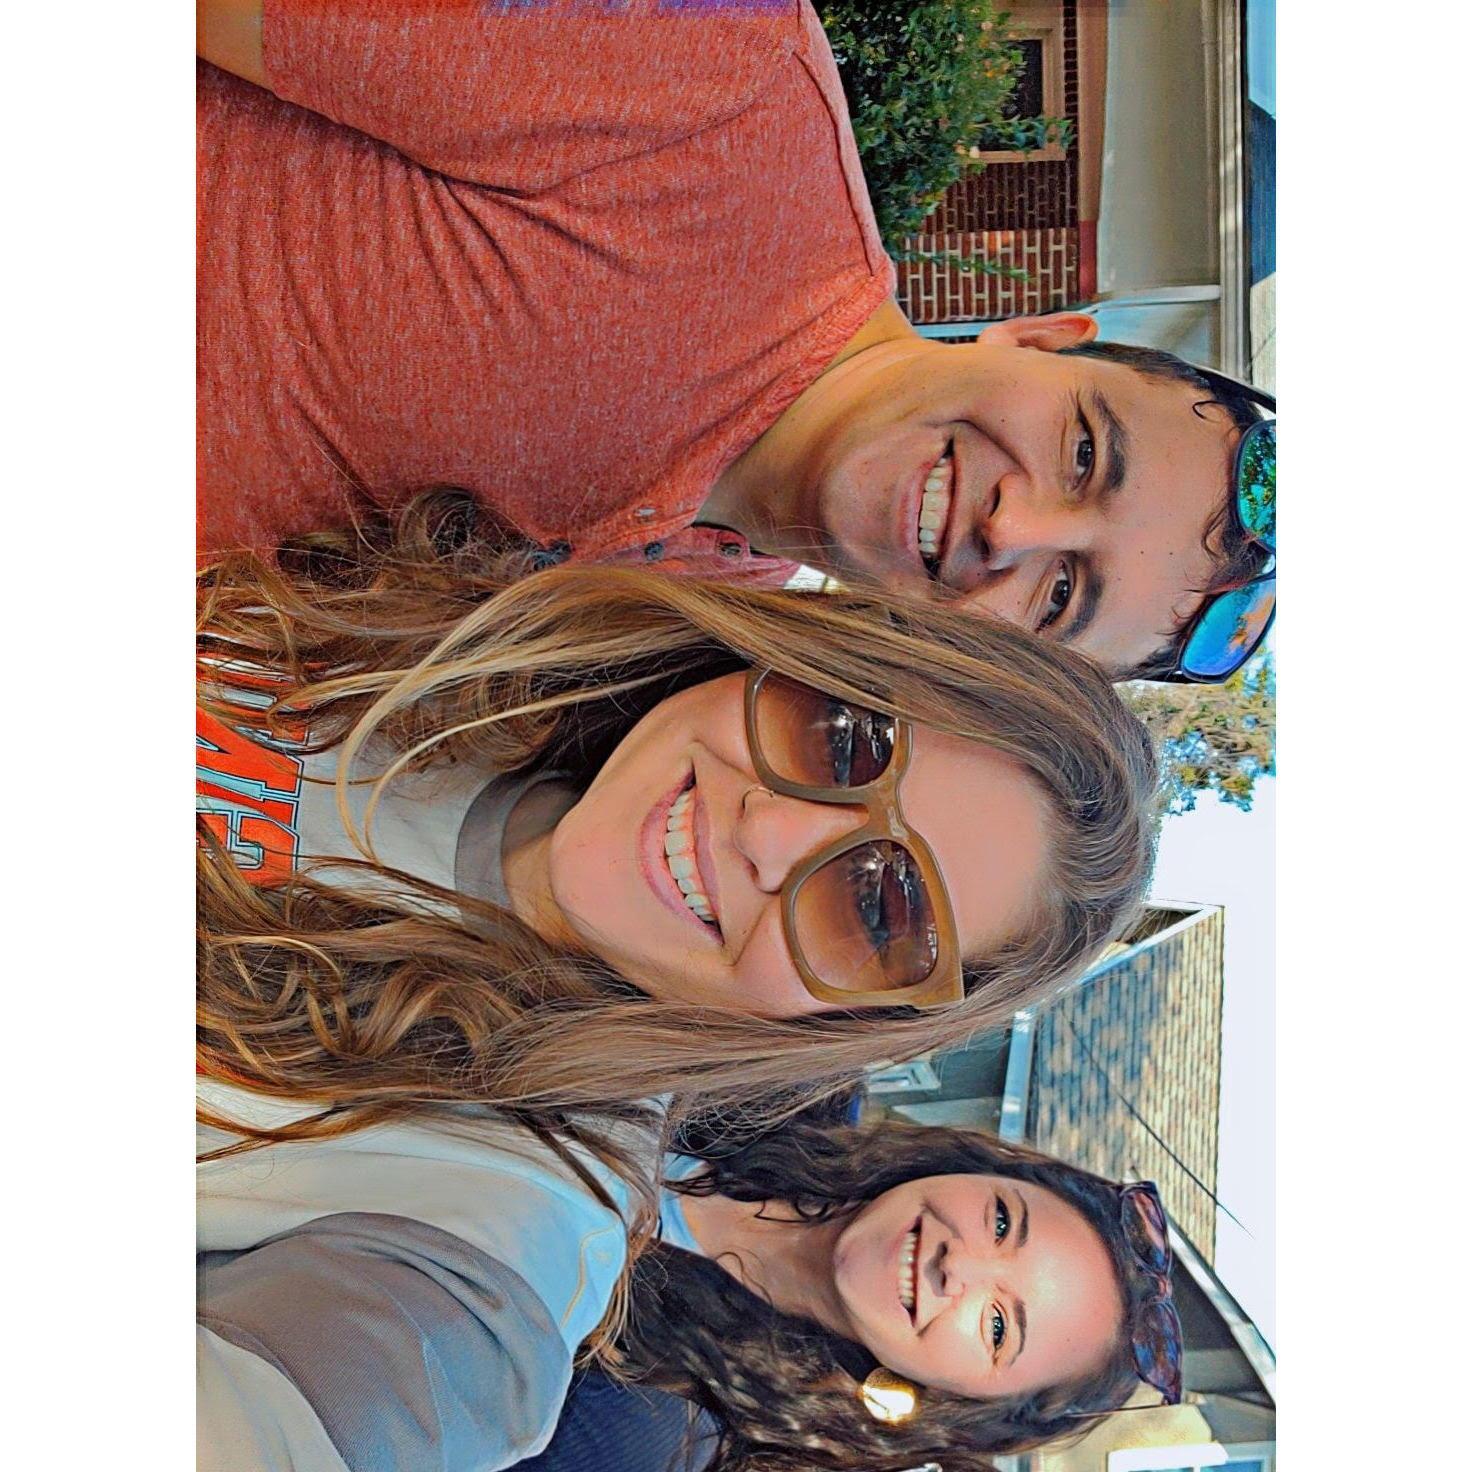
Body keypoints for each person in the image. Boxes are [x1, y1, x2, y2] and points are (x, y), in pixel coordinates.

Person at [196, 0, 1275, 679]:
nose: (1014, 525)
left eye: (1059, 596)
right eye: (1083, 452)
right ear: (1041, 339)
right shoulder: (723, 76)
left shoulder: (664, 661)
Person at [199, 491, 1158, 1135]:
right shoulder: (453, 582)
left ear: (852, 1023)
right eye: (843, 736)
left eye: (877, 910)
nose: (769, 832)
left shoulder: (508, 1188)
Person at [199, 1087, 1186, 1472]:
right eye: (1003, 1220)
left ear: (963, 1407)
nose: (957, 1262)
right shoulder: (786, 1066)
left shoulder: (646, 1432)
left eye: (999, 1326)